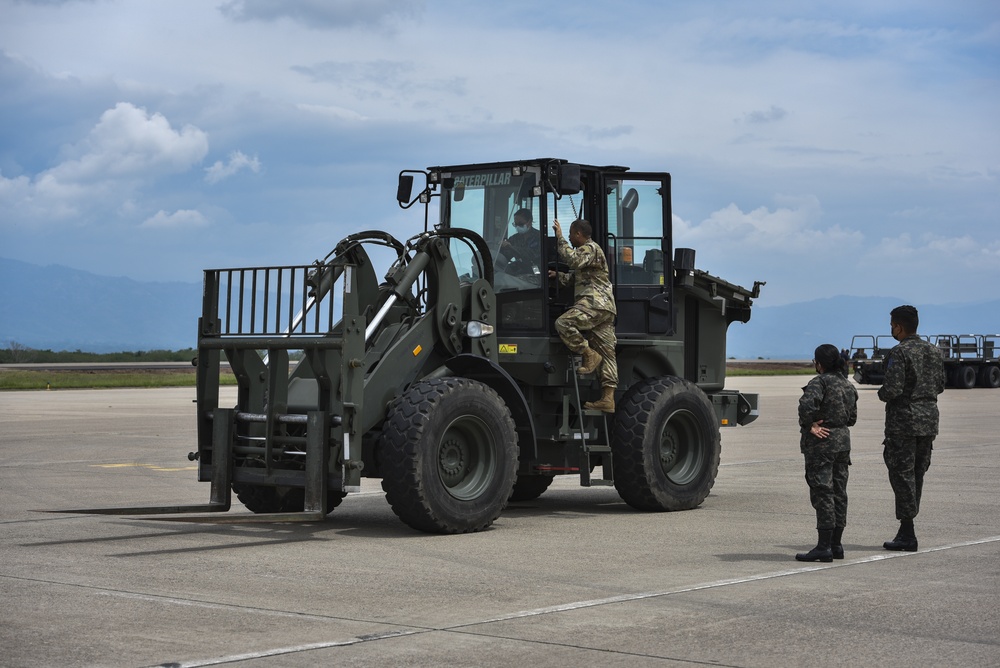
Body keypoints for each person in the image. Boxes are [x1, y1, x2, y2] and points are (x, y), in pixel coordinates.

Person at [878, 305, 945, 552]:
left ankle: (907, 532)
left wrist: (881, 393)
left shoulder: (900, 352)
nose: (892, 329)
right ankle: (907, 528)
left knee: (902, 474)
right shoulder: (935, 352)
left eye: (892, 325)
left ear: (899, 326)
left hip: (904, 422)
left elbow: (892, 389)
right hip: (928, 421)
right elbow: (940, 386)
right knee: (917, 473)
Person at [795, 344, 858, 562]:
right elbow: (852, 418)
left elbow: (805, 407)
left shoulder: (819, 382)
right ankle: (836, 544)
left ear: (819, 363)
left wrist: (810, 425)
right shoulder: (846, 385)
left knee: (823, 493)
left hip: (822, 445)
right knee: (839, 492)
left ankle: (824, 546)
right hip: (842, 443)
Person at [548, 218, 618, 412]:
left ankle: (588, 354)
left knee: (563, 323)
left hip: (594, 304)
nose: (570, 238)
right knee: (608, 353)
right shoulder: (590, 253)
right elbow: (576, 277)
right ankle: (608, 399)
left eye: (571, 234)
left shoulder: (590, 248)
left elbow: (573, 260)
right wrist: (557, 276)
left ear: (578, 234)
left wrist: (559, 238)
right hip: (605, 308)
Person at [496, 208, 541, 278]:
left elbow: (531, 255)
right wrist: (500, 248)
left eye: (520, 224)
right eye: (515, 224)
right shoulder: (514, 238)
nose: (517, 227)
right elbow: (505, 256)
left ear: (530, 221)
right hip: (520, 269)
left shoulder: (539, 237)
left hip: (536, 271)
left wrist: (511, 247)